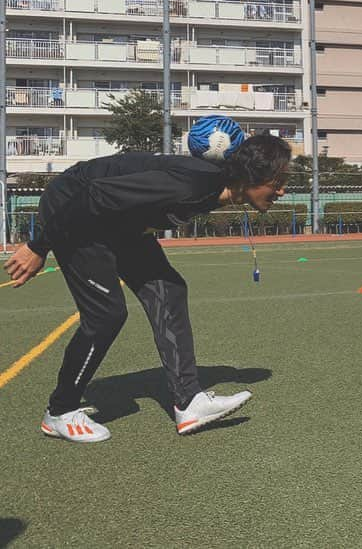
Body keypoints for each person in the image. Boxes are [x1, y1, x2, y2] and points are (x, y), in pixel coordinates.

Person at [2, 134, 292, 443]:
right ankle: (59, 412)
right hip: (74, 207)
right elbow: (94, 193)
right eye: (277, 182)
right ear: (252, 176)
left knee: (169, 289)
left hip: (115, 221)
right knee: (106, 315)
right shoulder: (194, 183)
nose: (282, 191)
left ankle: (189, 402)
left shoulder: (213, 188)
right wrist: (38, 245)